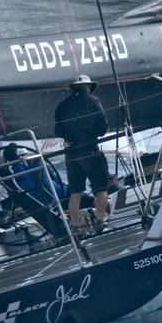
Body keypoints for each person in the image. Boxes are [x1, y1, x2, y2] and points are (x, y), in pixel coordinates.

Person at [54, 74, 110, 234]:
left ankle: (76, 227)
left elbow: (58, 131)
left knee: (76, 191)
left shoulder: (63, 105)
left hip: (71, 153)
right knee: (101, 188)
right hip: (90, 150)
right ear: (88, 86)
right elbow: (102, 129)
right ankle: (100, 222)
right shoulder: (94, 101)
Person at [2, 143, 69, 206]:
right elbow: (56, 178)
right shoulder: (37, 162)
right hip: (59, 194)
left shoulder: (12, 173)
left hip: (41, 201)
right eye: (24, 154)